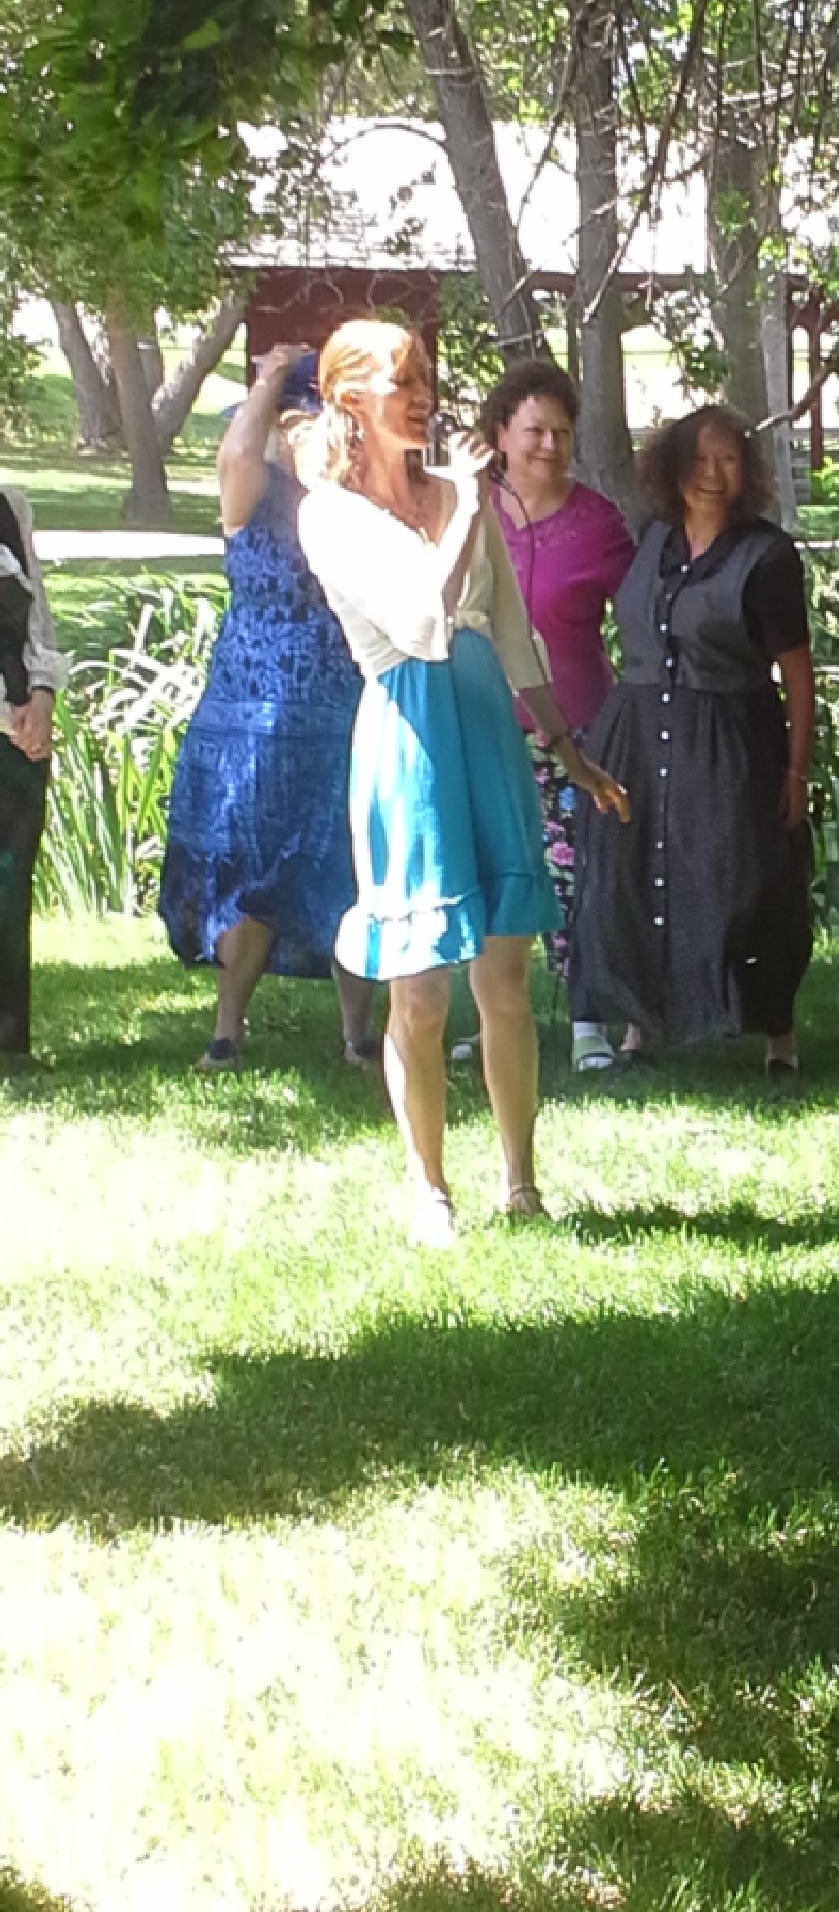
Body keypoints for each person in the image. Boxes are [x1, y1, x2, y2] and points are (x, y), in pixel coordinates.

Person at [297, 319, 628, 1244]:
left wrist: (567, 749)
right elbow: (422, 628)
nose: (421, 397)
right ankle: (430, 1191)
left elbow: (510, 634)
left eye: (424, 379)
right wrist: (475, 511)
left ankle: (521, 1183)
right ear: (350, 399)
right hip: (408, 739)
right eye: (400, 382)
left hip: (488, 730)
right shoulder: (331, 513)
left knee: (506, 980)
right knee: (421, 990)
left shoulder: (455, 489)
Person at [572, 405, 815, 1072]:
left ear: (746, 471)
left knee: (746, 879)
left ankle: (775, 1032)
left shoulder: (768, 555)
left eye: (727, 460)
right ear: (674, 465)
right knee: (635, 876)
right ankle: (640, 1025)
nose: (712, 474)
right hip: (639, 736)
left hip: (730, 738)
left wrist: (797, 772)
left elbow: (798, 676)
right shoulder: (653, 537)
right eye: (700, 459)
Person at [159, 345, 380, 1071]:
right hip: (251, 710)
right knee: (251, 865)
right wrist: (270, 381)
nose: (297, 437)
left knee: (347, 860)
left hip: (341, 703)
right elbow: (234, 454)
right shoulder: (250, 493)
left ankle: (358, 1033)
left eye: (310, 422)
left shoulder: (351, 501)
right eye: (287, 424)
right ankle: (228, 1028)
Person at [480, 359, 634, 1072]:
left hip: (577, 730)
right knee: (493, 876)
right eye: (534, 430)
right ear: (500, 435)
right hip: (483, 728)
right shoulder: (468, 509)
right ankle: (491, 1017)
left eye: (562, 432)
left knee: (578, 881)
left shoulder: (598, 522)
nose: (549, 445)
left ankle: (587, 1022)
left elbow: (641, 620)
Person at [0, 481, 65, 1058]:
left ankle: (7, 1036)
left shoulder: (11, 507)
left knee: (8, 882)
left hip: (15, 736)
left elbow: (36, 617)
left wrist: (42, 695)